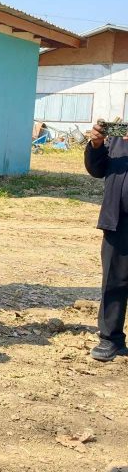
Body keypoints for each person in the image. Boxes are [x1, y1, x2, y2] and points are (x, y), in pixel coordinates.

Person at [83, 120, 128, 362]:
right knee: (114, 280)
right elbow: (97, 169)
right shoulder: (119, 136)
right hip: (119, 219)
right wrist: (97, 144)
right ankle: (111, 339)